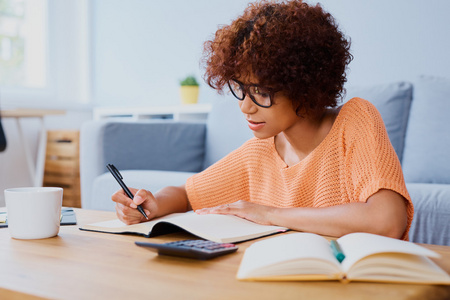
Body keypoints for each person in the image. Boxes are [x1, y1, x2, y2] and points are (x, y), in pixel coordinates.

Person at [113, 0, 413, 240]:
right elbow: (186, 194)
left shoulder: (355, 120)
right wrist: (152, 204)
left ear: (303, 84)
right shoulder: (257, 154)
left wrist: (269, 214)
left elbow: (387, 221)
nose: (246, 107)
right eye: (241, 89)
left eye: (261, 91)